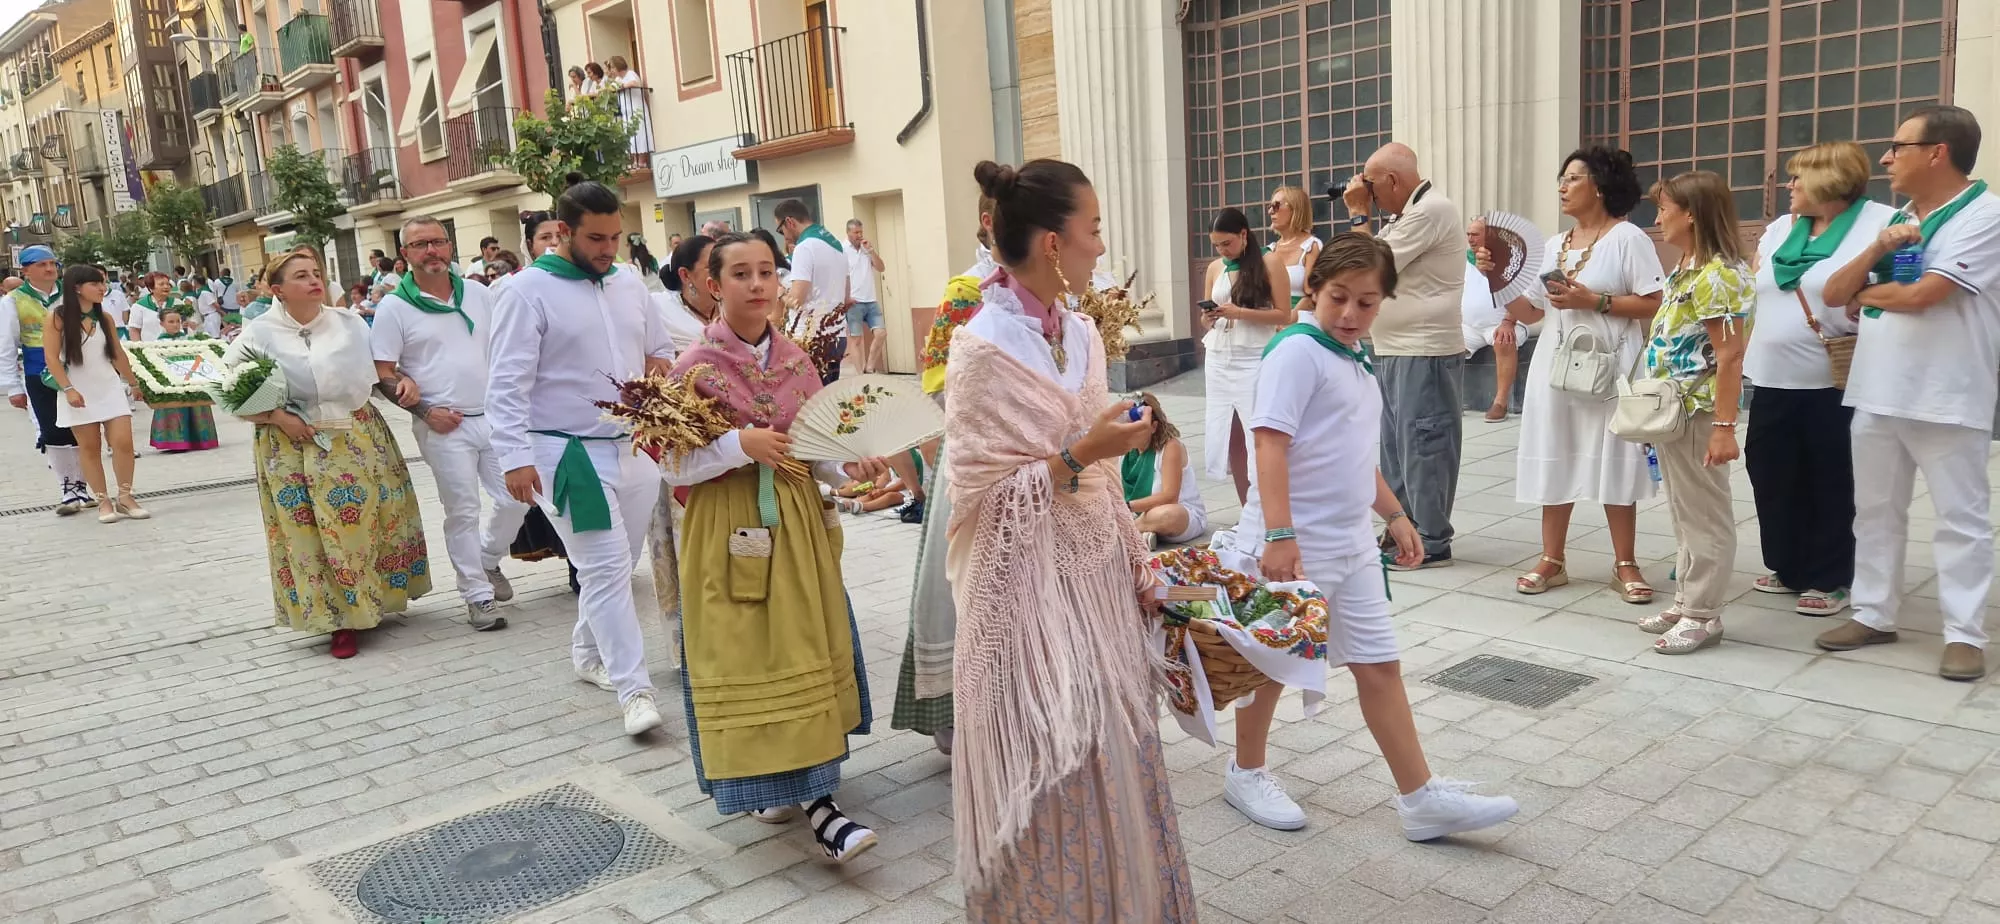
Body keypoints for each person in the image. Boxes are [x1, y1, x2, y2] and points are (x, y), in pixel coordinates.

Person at [946, 158, 1196, 920]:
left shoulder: (1082, 332)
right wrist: (1082, 453)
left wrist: (1135, 560)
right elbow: (979, 497)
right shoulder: (980, 348)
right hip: (1027, 600)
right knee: (1052, 757)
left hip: (1095, 580)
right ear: (1054, 243)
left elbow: (1105, 480)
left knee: (1115, 750)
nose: (1100, 245)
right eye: (1093, 230)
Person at [1226, 231, 1522, 839]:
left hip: (1350, 546)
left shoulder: (1355, 359)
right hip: (1292, 544)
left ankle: (1420, 798)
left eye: (1367, 302)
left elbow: (1355, 455)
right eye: (1339, 297)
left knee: (1379, 664)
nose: (1351, 314)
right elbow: (1268, 444)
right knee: (1270, 666)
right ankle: (1245, 771)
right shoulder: (1296, 352)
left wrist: (1394, 514)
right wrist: (1279, 533)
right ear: (1313, 289)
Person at [661, 231, 892, 862]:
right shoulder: (694, 367)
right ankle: (794, 794)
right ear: (712, 285)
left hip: (794, 523)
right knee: (747, 654)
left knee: (801, 645)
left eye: (767, 271)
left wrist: (850, 471)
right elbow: (671, 465)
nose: (758, 284)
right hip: (728, 524)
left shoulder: (796, 360)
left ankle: (815, 794)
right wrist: (739, 446)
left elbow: (814, 446)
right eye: (741, 273)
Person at [1814, 105, 2000, 682]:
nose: (1887, 158)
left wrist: (1868, 295)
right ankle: (1873, 613)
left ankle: (1964, 633)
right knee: (1873, 512)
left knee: (1960, 518)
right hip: (1876, 390)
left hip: (1947, 393)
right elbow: (1832, 291)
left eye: (1899, 146)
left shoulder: (1985, 215)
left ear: (1937, 152)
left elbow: (1928, 294)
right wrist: (1873, 257)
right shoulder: (1892, 219)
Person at [490, 176, 678, 734]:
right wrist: (513, 457)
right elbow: (506, 383)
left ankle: (588, 654)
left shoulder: (628, 283)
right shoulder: (525, 291)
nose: (608, 249)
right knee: (601, 568)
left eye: (616, 236)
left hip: (637, 446)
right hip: (566, 454)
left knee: (617, 565)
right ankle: (634, 690)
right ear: (563, 232)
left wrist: (662, 378)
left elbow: (659, 350)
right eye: (596, 238)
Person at [224, 250, 432, 659]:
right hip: (290, 446)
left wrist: (406, 384)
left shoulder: (351, 324)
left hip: (354, 436)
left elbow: (380, 374)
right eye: (301, 276)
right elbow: (230, 391)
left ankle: (372, 601)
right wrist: (278, 416)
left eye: (317, 273)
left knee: (366, 521)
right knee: (310, 535)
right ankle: (337, 618)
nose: (314, 280)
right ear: (277, 289)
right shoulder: (258, 333)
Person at [1744, 142, 1895, 618]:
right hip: (1770, 376)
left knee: (1831, 478)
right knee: (1769, 473)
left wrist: (1865, 296)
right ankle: (1788, 566)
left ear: (1828, 182)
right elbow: (1757, 283)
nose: (1788, 186)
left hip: (1834, 380)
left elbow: (1899, 284)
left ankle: (1832, 576)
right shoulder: (1779, 229)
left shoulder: (1880, 224)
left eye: (1797, 179)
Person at [1512, 147, 1666, 601]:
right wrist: (1497, 280)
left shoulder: (1628, 239)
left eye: (1573, 178)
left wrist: (1595, 301)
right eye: (1562, 177)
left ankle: (1625, 563)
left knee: (1616, 456)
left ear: (1599, 185)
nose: (1562, 185)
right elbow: (1530, 311)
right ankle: (1551, 558)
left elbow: (1655, 303)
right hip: (1556, 365)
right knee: (1554, 449)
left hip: (1611, 367)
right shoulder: (1552, 244)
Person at [372, 215, 530, 634]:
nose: (432, 251)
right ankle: (477, 595)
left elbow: (507, 349)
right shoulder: (394, 306)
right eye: (420, 245)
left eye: (438, 242)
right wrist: (425, 411)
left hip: (494, 419)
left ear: (450, 247)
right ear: (405, 255)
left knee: (518, 499)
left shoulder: (479, 293)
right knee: (462, 509)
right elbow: (383, 373)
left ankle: (488, 558)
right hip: (443, 425)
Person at [892, 198, 998, 757]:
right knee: (953, 586)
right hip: (976, 460)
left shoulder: (1057, 291)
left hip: (1039, 468)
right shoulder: (966, 290)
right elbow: (936, 380)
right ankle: (948, 711)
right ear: (988, 220)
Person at [1640, 172, 1753, 654]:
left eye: (1665, 208)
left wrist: (1724, 427)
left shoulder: (1718, 275)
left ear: (1691, 213)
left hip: (1699, 410)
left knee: (1705, 513)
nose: (1658, 217)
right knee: (1685, 509)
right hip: (1674, 407)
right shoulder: (1689, 267)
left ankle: (1704, 613)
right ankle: (1689, 598)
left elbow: (1729, 356)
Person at [1342, 143, 1465, 570]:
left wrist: (1359, 216)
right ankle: (1403, 529)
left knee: (1424, 443)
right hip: (1394, 348)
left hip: (1424, 349)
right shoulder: (1404, 217)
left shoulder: (1432, 210)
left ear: (1392, 181)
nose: (1365, 192)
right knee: (1394, 447)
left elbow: (1367, 264)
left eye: (1370, 185)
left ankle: (1432, 538)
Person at [1200, 207, 1290, 505]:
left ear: (1243, 234)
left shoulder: (1269, 261)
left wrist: (1240, 312)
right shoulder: (1216, 268)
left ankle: (1268, 508)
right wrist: (1209, 318)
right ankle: (1246, 509)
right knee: (1230, 434)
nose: (1222, 250)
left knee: (1259, 433)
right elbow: (1205, 317)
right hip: (1219, 355)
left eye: (1227, 243)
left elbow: (1284, 314)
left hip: (1252, 355)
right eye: (1216, 245)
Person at [45, 264, 148, 524]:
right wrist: (68, 389)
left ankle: (125, 497)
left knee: (123, 442)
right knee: (90, 447)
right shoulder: (57, 317)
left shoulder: (106, 317)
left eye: (103, 283)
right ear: (77, 287)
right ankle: (103, 500)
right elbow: (51, 358)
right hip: (77, 389)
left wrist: (134, 383)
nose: (103, 288)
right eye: (96, 284)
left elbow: (117, 354)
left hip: (109, 386)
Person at [0, 246, 93, 513]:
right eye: (42, 265)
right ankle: (67, 487)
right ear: (26, 271)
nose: (50, 269)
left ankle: (83, 485)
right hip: (38, 372)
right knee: (53, 430)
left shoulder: (71, 295)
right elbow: (6, 345)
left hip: (77, 368)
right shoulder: (13, 301)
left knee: (81, 428)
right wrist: (13, 387)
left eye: (52, 263)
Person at [1462, 220, 1540, 422]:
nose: (1470, 238)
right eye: (1468, 234)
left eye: (1475, 234)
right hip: (1469, 326)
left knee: (1504, 340)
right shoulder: (1464, 260)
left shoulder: (1511, 258)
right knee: (1444, 342)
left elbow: (1525, 294)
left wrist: (1508, 321)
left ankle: (1500, 402)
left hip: (1506, 322)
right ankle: (1453, 398)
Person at [773, 199, 849, 382]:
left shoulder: (805, 247)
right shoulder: (837, 245)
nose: (783, 236)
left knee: (810, 403)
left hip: (809, 337)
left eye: (780, 229)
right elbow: (846, 297)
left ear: (790, 222)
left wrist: (779, 291)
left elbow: (797, 301)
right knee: (826, 400)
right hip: (837, 335)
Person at [1124, 391, 1207, 548]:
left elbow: (1170, 497)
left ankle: (1126, 531)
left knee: (1168, 515)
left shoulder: (1171, 447)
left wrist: (1126, 508)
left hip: (1180, 514)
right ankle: (1143, 532)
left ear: (1154, 426)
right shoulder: (1126, 449)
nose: (1131, 432)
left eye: (1139, 427)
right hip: (1142, 514)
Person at [147, 309, 221, 453]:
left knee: (196, 405)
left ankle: (200, 438)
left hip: (191, 378)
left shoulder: (189, 340)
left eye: (178, 322)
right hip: (172, 381)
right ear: (162, 323)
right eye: (171, 322)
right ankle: (176, 440)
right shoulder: (158, 343)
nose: (175, 325)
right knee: (174, 406)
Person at [654, 234, 718, 353]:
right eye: (712, 267)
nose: (722, 274)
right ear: (685, 275)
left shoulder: (736, 307)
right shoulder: (661, 310)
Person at [1268, 184, 1324, 310]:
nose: (1270, 211)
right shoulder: (1270, 250)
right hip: (1267, 320)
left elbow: (1312, 295)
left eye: (1276, 206)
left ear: (1295, 209)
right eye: (1270, 207)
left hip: (1299, 319)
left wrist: (1286, 321)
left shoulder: (1311, 246)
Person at [842, 219, 887, 374]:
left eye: (861, 232)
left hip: (871, 300)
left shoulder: (866, 249)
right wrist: (845, 298)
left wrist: (871, 251)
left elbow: (881, 268)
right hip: (854, 301)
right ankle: (859, 374)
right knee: (856, 339)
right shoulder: (842, 250)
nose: (859, 235)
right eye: (856, 232)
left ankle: (869, 367)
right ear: (848, 232)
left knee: (881, 334)